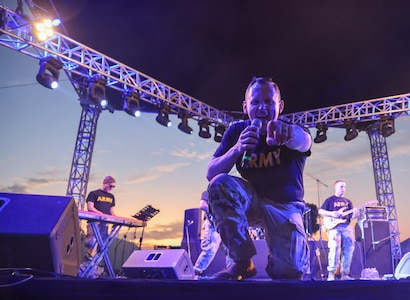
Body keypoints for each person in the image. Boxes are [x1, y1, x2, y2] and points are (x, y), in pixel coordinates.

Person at [206, 77, 312, 280]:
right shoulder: (237, 131)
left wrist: (289, 135)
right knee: (219, 183)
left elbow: (305, 141)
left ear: (279, 106)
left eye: (268, 102)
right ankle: (242, 262)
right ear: (246, 107)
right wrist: (237, 149)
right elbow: (211, 172)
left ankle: (282, 260)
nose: (262, 107)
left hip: (284, 207)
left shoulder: (290, 129)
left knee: (288, 272)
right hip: (252, 202)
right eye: (255, 102)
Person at [318, 179, 359, 281]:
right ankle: (331, 274)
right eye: (341, 186)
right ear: (335, 187)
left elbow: (352, 216)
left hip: (346, 228)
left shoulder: (348, 202)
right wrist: (333, 214)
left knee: (348, 250)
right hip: (334, 228)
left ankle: (345, 274)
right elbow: (321, 211)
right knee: (335, 249)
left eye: (344, 187)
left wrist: (356, 214)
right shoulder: (330, 200)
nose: (343, 189)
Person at [193, 191, 232, 277]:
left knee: (230, 250)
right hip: (213, 225)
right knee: (210, 248)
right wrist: (216, 215)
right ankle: (196, 272)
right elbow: (202, 205)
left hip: (224, 225)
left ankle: (231, 271)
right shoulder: (208, 192)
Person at [84, 175, 116, 262]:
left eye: (113, 186)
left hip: (104, 223)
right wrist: (101, 214)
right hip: (94, 222)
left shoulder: (112, 197)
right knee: (91, 243)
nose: (112, 188)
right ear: (105, 183)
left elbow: (112, 211)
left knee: (102, 244)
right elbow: (90, 207)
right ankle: (88, 265)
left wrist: (114, 218)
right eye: (111, 186)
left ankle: (97, 266)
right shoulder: (94, 193)